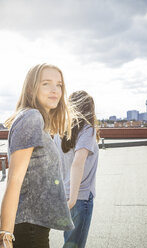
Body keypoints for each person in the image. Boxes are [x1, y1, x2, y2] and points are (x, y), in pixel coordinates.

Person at [0, 63, 74, 248]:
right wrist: (5, 237)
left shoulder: (33, 119)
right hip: (28, 229)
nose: (55, 90)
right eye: (46, 83)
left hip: (34, 227)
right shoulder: (32, 118)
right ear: (31, 89)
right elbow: (14, 180)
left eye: (59, 85)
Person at [54, 90, 99, 248]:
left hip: (64, 196)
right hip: (79, 198)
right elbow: (78, 163)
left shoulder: (60, 130)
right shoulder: (87, 129)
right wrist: (73, 200)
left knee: (69, 242)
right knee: (74, 245)